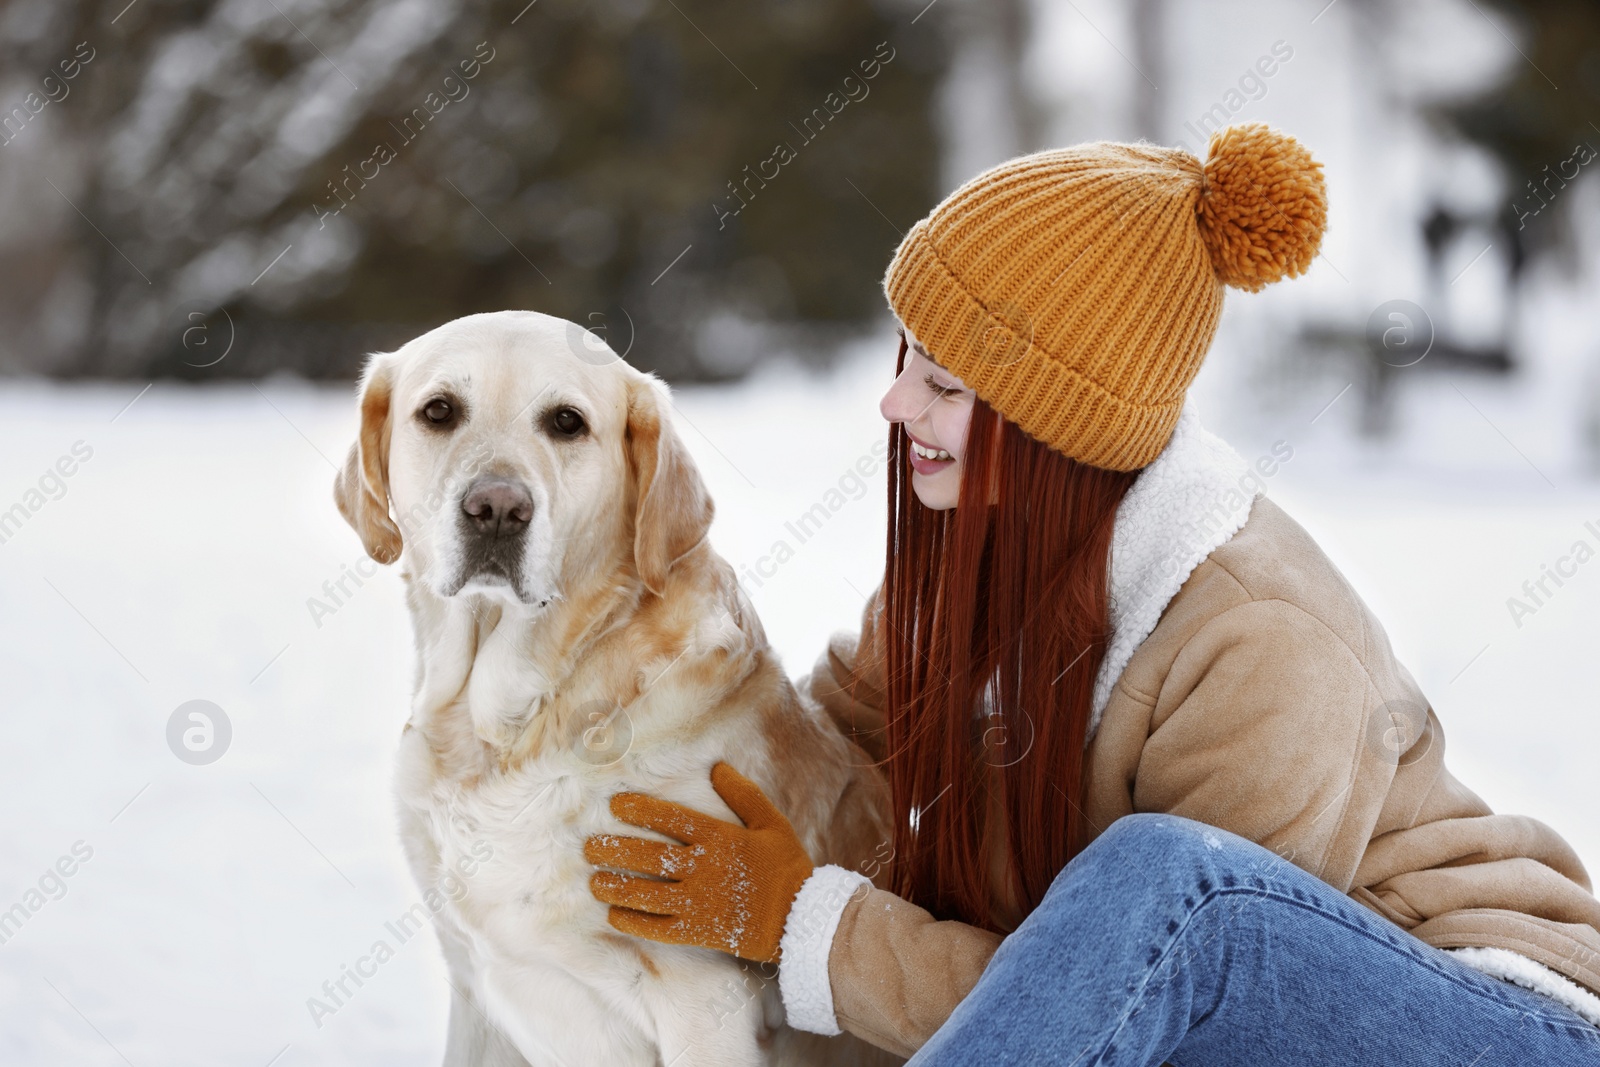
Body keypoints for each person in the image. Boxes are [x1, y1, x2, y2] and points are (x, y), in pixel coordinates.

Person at [582, 123, 1600, 1064]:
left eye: (941, 385)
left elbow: (1134, 989)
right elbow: (831, 752)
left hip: (1492, 1020)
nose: (896, 406)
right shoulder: (971, 563)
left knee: (1162, 877)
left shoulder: (1258, 637)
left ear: (1051, 428)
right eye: (907, 363)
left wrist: (812, 927)